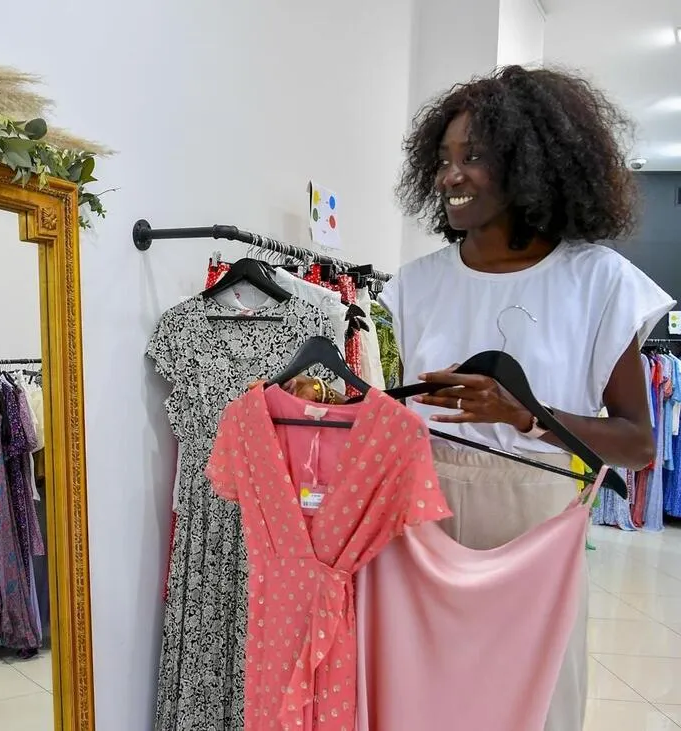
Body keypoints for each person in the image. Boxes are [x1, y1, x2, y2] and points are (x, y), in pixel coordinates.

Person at [288, 66, 674, 730]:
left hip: (535, 527)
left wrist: (528, 415)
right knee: (420, 701)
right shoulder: (415, 286)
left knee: (536, 702)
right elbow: (398, 416)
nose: (450, 176)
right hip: (419, 518)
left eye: (472, 157)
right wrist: (328, 406)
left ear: (530, 165)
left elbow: (638, 444)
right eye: (443, 159)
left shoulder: (600, 283)